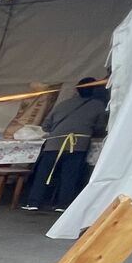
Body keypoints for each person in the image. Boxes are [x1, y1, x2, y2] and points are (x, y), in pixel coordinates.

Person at [21, 77, 109, 212]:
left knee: (43, 174)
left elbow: (46, 126)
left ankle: (33, 202)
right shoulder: (98, 106)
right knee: (69, 175)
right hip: (77, 144)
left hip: (54, 142)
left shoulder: (63, 104)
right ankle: (62, 204)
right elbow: (100, 128)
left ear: (77, 90)